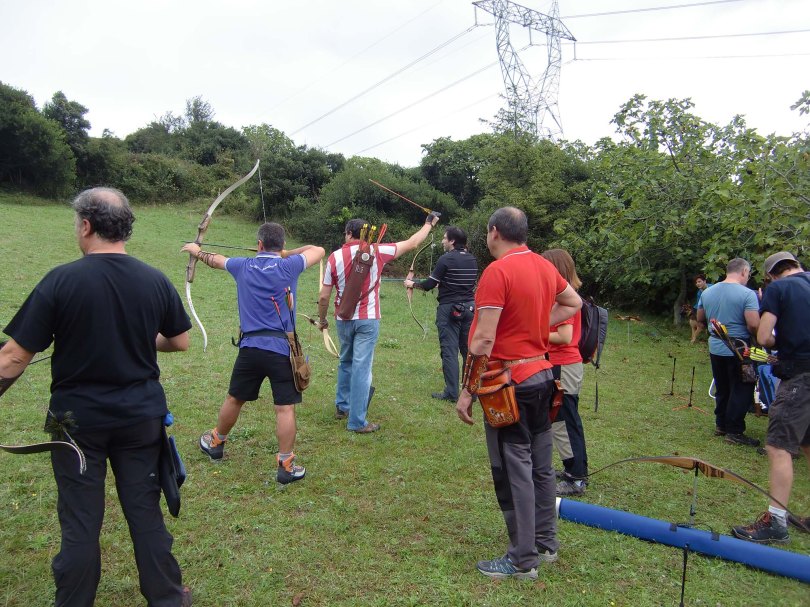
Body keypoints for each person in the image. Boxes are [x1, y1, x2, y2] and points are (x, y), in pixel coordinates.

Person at [0, 187, 193, 606]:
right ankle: (167, 597)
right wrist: (140, 337)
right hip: (140, 419)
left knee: (80, 520)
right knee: (144, 511)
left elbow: (13, 357)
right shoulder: (154, 279)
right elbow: (179, 341)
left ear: (86, 225)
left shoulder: (61, 280)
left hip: (74, 422)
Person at [456, 207, 581, 580]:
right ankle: (545, 543)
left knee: (514, 470)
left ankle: (523, 559)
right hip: (542, 377)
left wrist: (467, 390)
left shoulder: (498, 272)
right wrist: (535, 326)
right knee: (541, 466)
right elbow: (573, 302)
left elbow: (483, 339)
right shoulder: (544, 266)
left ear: (494, 232)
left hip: (510, 384)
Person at [183, 224, 324, 485]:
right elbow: (318, 250)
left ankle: (216, 442)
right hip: (281, 350)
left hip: (250, 349)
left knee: (235, 398)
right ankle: (286, 465)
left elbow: (216, 260)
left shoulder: (243, 266)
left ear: (259, 244)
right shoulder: (290, 266)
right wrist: (288, 254)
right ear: (281, 245)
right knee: (284, 408)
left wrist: (196, 251)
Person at [319, 214, 439, 433]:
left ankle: (343, 406)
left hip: (343, 318)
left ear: (349, 234)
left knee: (346, 361)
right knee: (361, 368)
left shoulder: (334, 257)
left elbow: (324, 295)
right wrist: (428, 223)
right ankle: (356, 421)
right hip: (368, 319)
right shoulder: (377, 251)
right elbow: (413, 243)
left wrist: (322, 319)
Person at [732, 252, 810, 543]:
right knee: (807, 443)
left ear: (771, 275)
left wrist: (784, 342)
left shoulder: (779, 289)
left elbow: (764, 336)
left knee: (778, 446)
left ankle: (776, 523)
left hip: (800, 376)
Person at [403, 226, 478, 402]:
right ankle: (471, 392)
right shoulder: (472, 259)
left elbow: (429, 284)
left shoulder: (446, 258)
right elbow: (463, 283)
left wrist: (412, 284)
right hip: (470, 308)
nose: (443, 241)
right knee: (467, 350)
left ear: (452, 241)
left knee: (449, 350)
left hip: (450, 309)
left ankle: (451, 393)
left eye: (445, 238)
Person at [697, 258, 760, 446]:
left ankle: (721, 424)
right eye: (748, 274)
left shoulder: (707, 292)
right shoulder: (748, 294)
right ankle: (734, 430)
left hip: (716, 347)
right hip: (740, 350)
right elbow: (753, 324)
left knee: (722, 386)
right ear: (744, 271)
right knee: (742, 387)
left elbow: (700, 318)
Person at [541, 249, 588, 497]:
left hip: (564, 365)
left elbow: (565, 336)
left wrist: (533, 332)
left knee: (565, 421)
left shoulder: (564, 299)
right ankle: (575, 469)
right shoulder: (562, 296)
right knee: (562, 419)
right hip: (561, 364)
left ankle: (576, 478)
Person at [690, 273, 713, 343]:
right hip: (702, 310)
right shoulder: (699, 293)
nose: (697, 284)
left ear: (704, 281)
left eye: (699, 281)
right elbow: (698, 305)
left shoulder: (712, 288)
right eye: (696, 282)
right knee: (692, 321)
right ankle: (693, 338)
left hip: (712, 309)